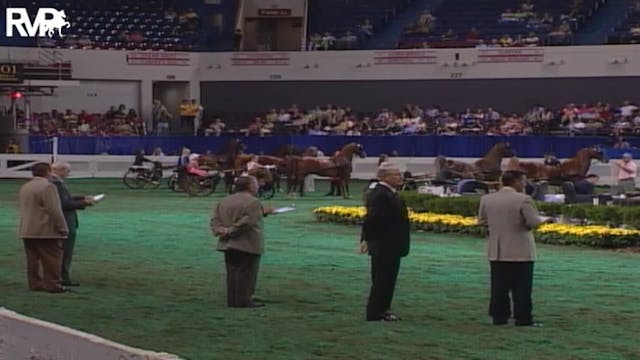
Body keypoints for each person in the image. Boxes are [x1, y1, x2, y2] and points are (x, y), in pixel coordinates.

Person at [478, 170, 547, 327]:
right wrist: (545, 219)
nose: (525, 184)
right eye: (523, 181)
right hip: (520, 249)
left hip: (497, 250)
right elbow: (533, 222)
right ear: (516, 182)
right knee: (521, 287)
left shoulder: (487, 199)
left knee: (499, 287)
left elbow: (481, 221)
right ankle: (523, 318)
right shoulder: (524, 199)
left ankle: (499, 317)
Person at [210, 176, 275, 308]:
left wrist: (220, 230)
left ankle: (233, 300)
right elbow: (247, 222)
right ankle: (244, 300)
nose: (258, 187)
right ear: (250, 186)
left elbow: (215, 219)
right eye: (256, 184)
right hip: (247, 242)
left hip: (227, 243)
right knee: (247, 273)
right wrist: (231, 230)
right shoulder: (253, 202)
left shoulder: (224, 200)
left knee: (232, 272)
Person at [361, 164, 410, 321]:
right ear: (385, 177)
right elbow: (372, 219)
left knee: (388, 279)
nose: (399, 177)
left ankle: (384, 309)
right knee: (381, 279)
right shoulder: (381, 195)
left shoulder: (390, 193)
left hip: (391, 244)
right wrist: (367, 239)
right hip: (384, 244)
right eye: (395, 174)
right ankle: (376, 312)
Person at [18, 162, 69, 293]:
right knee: (52, 258)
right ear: (48, 172)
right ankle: (53, 284)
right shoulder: (48, 187)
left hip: (27, 228)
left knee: (32, 259)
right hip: (45, 229)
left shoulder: (26, 186)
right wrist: (62, 227)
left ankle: (35, 283)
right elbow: (54, 210)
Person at [50, 162, 95, 286]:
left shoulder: (55, 182)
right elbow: (64, 204)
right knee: (65, 250)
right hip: (65, 221)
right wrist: (84, 203)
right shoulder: (56, 183)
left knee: (61, 250)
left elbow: (65, 200)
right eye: (67, 171)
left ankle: (60, 276)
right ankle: (62, 277)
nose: (69, 173)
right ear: (61, 170)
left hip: (64, 220)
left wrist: (82, 198)